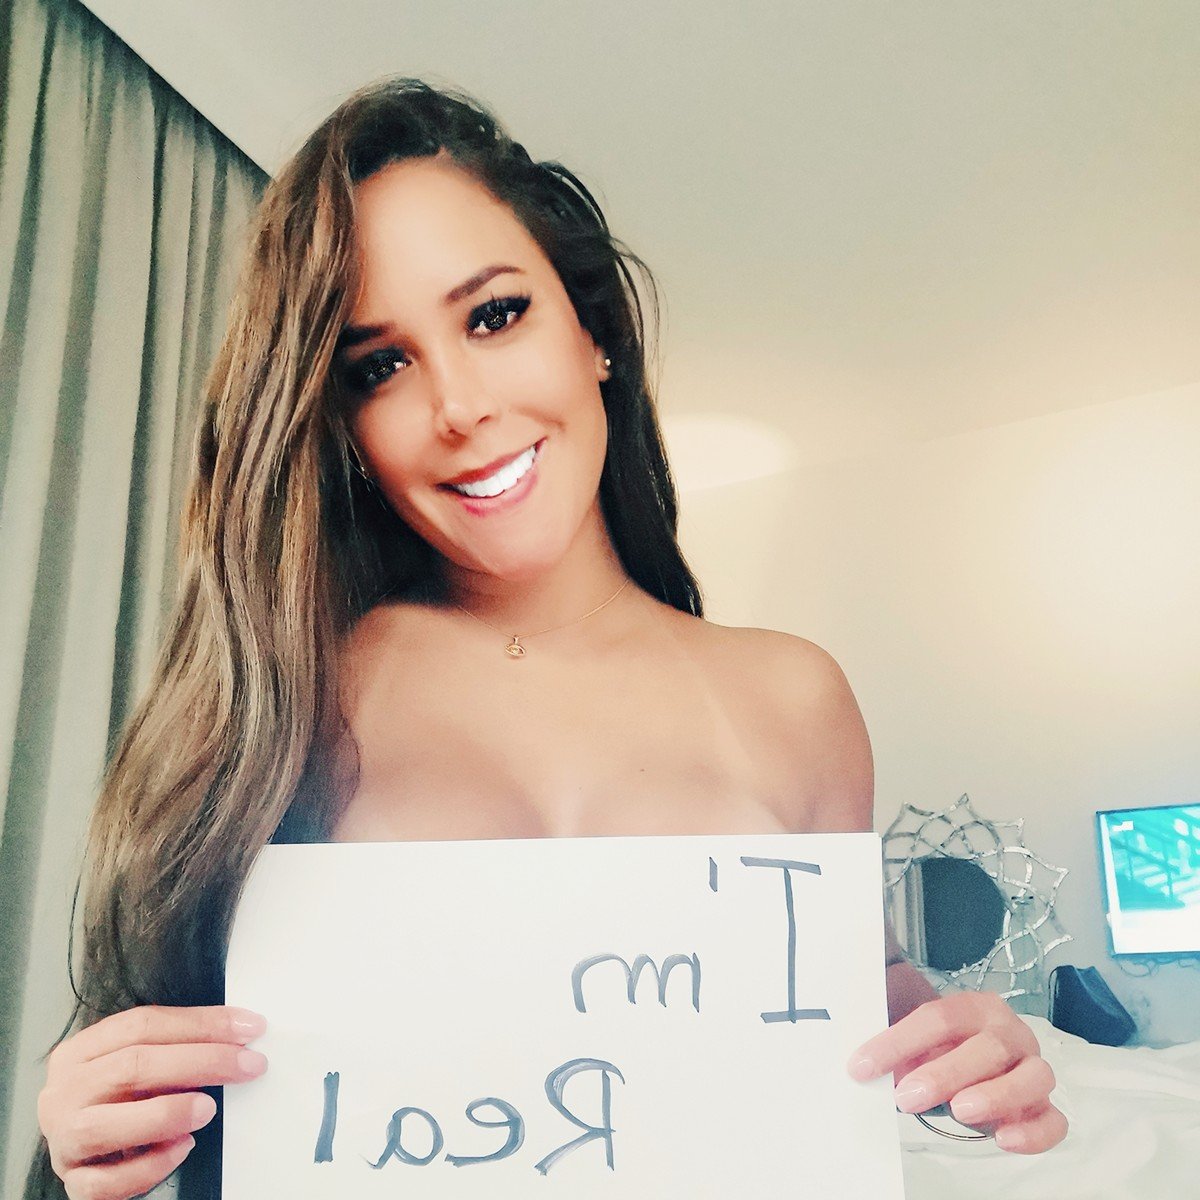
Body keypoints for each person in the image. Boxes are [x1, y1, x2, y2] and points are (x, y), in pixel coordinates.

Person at [28, 77, 1066, 1200]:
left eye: (493, 315)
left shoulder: (795, 696)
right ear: (346, 428)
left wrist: (966, 1059)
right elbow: (190, 1080)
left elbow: (863, 1001)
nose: (459, 404)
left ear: (593, 330)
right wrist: (96, 1130)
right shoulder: (281, 695)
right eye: (380, 366)